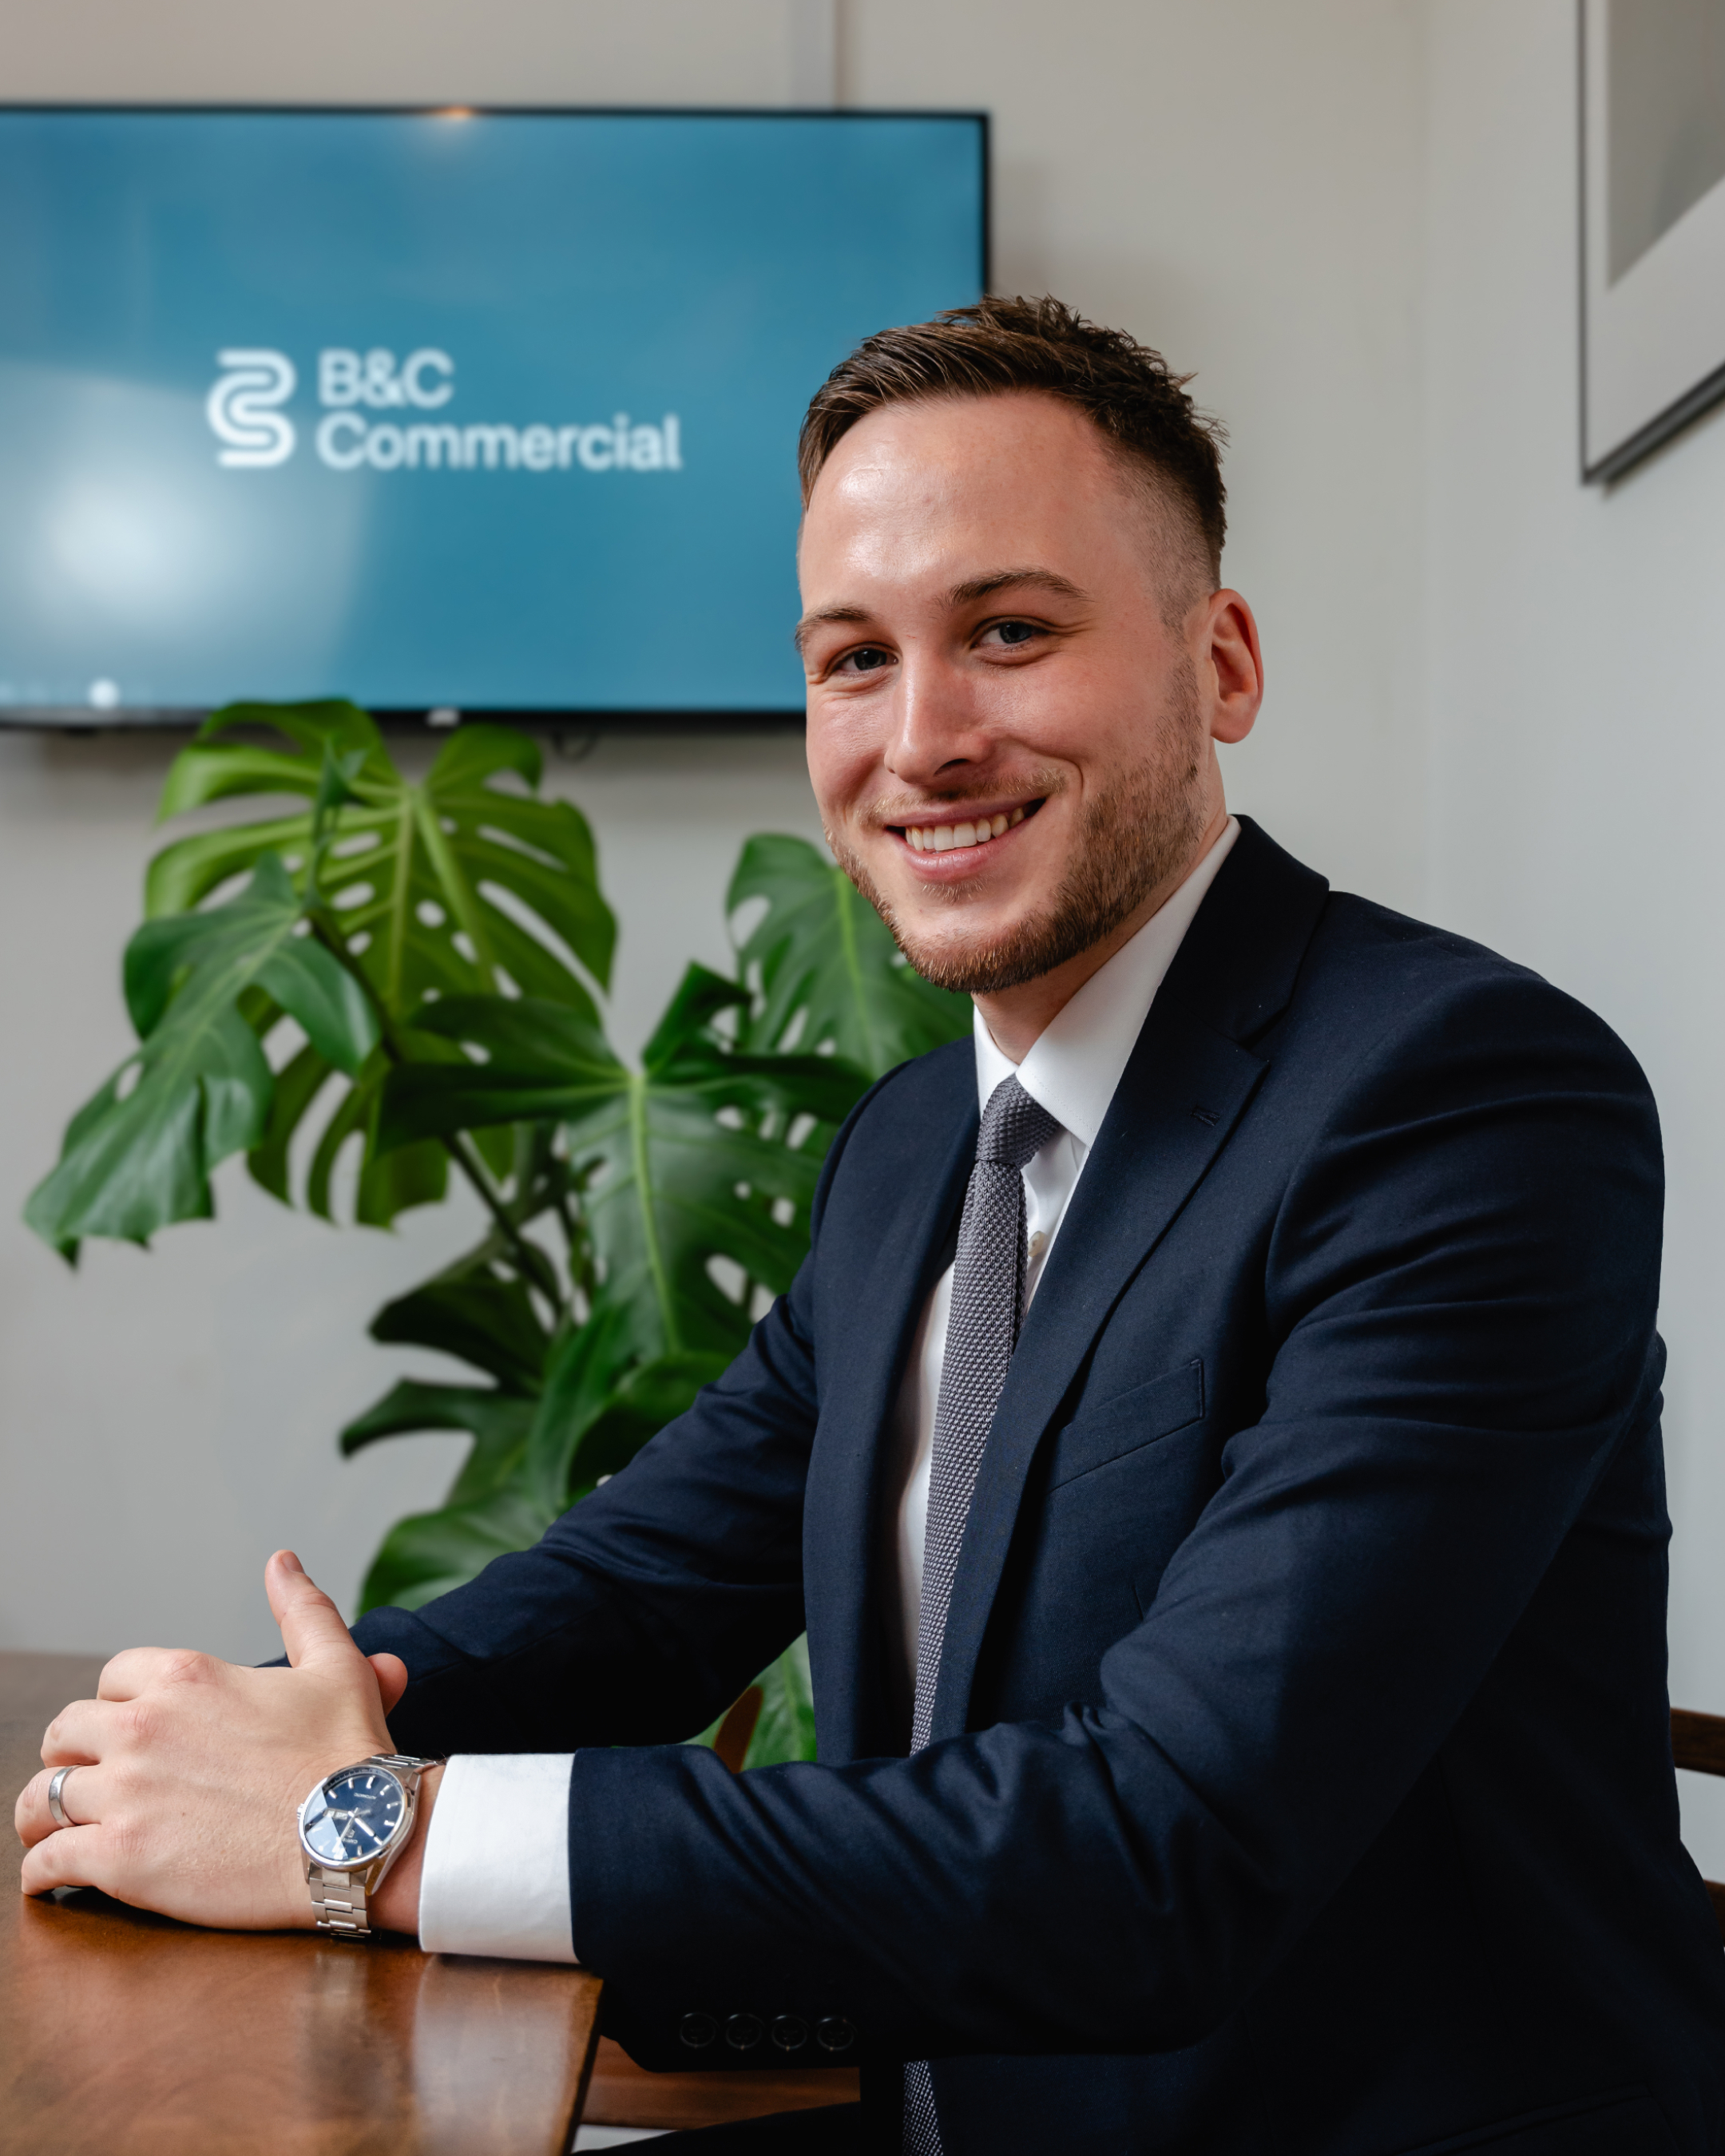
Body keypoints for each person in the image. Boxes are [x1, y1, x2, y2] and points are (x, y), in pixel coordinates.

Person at [16, 297, 1725, 2155]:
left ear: (1218, 662)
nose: (922, 739)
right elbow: (645, 1588)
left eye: (1009, 632)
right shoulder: (922, 1139)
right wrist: (266, 1739)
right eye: (851, 660)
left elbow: (1164, 1851)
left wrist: (360, 1832)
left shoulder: (1461, 1101)